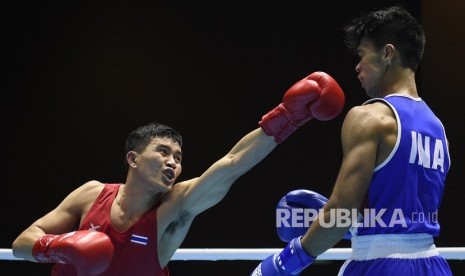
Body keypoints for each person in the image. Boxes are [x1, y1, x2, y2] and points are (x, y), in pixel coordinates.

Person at [12, 71, 345, 275]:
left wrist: (288, 116)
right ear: (133, 158)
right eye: (163, 152)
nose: (173, 162)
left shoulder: (174, 209)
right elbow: (21, 243)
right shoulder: (91, 194)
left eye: (179, 157)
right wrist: (58, 246)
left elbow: (231, 165)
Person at [252, 5, 452, 276]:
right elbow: (402, 210)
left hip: (379, 265)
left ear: (387, 53)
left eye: (362, 54)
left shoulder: (370, 117)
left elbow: (342, 212)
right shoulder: (437, 128)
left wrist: (287, 260)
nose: (357, 66)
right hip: (433, 264)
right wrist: (362, 224)